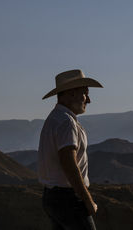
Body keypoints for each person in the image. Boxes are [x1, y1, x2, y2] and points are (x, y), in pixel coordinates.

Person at [38, 69, 103, 230]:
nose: (88, 100)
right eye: (85, 93)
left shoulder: (54, 119)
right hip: (68, 198)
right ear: (72, 93)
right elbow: (68, 162)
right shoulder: (66, 122)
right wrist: (87, 199)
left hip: (53, 197)